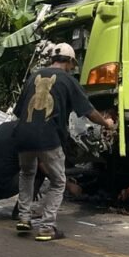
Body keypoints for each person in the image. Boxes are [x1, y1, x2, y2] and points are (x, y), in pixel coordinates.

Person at [13, 42, 115, 241]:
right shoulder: (68, 80)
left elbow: (19, 112)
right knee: (58, 181)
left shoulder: (34, 76)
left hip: (23, 135)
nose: (71, 68)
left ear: (52, 59)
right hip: (48, 137)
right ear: (69, 62)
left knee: (26, 173)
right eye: (72, 65)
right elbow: (89, 112)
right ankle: (47, 227)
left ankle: (24, 218)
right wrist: (107, 123)